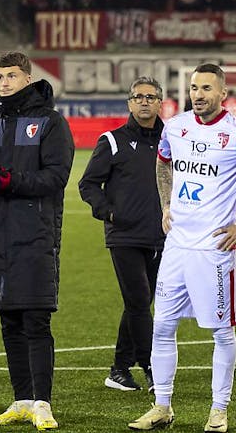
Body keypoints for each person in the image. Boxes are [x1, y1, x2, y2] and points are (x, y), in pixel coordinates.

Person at [128, 63, 236, 433]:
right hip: (176, 246)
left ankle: (218, 411)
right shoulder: (175, 127)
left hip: (213, 251)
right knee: (162, 326)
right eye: (194, 87)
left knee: (221, 333)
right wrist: (166, 204)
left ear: (223, 93)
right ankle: (162, 406)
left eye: (207, 88)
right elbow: (163, 163)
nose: (198, 94)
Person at [0, 51, 75, 431]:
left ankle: (43, 403)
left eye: (11, 75)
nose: (5, 82)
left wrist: (12, 181)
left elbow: (56, 177)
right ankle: (22, 400)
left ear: (28, 78)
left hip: (36, 234)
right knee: (8, 320)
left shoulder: (50, 122)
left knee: (35, 319)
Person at [78, 76, 166, 392]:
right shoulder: (112, 141)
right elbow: (88, 183)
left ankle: (119, 369)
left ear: (160, 102)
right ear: (129, 103)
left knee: (138, 303)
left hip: (162, 235)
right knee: (141, 301)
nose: (144, 101)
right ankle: (151, 368)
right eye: (138, 96)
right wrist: (109, 212)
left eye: (150, 96)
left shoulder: (173, 140)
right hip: (125, 236)